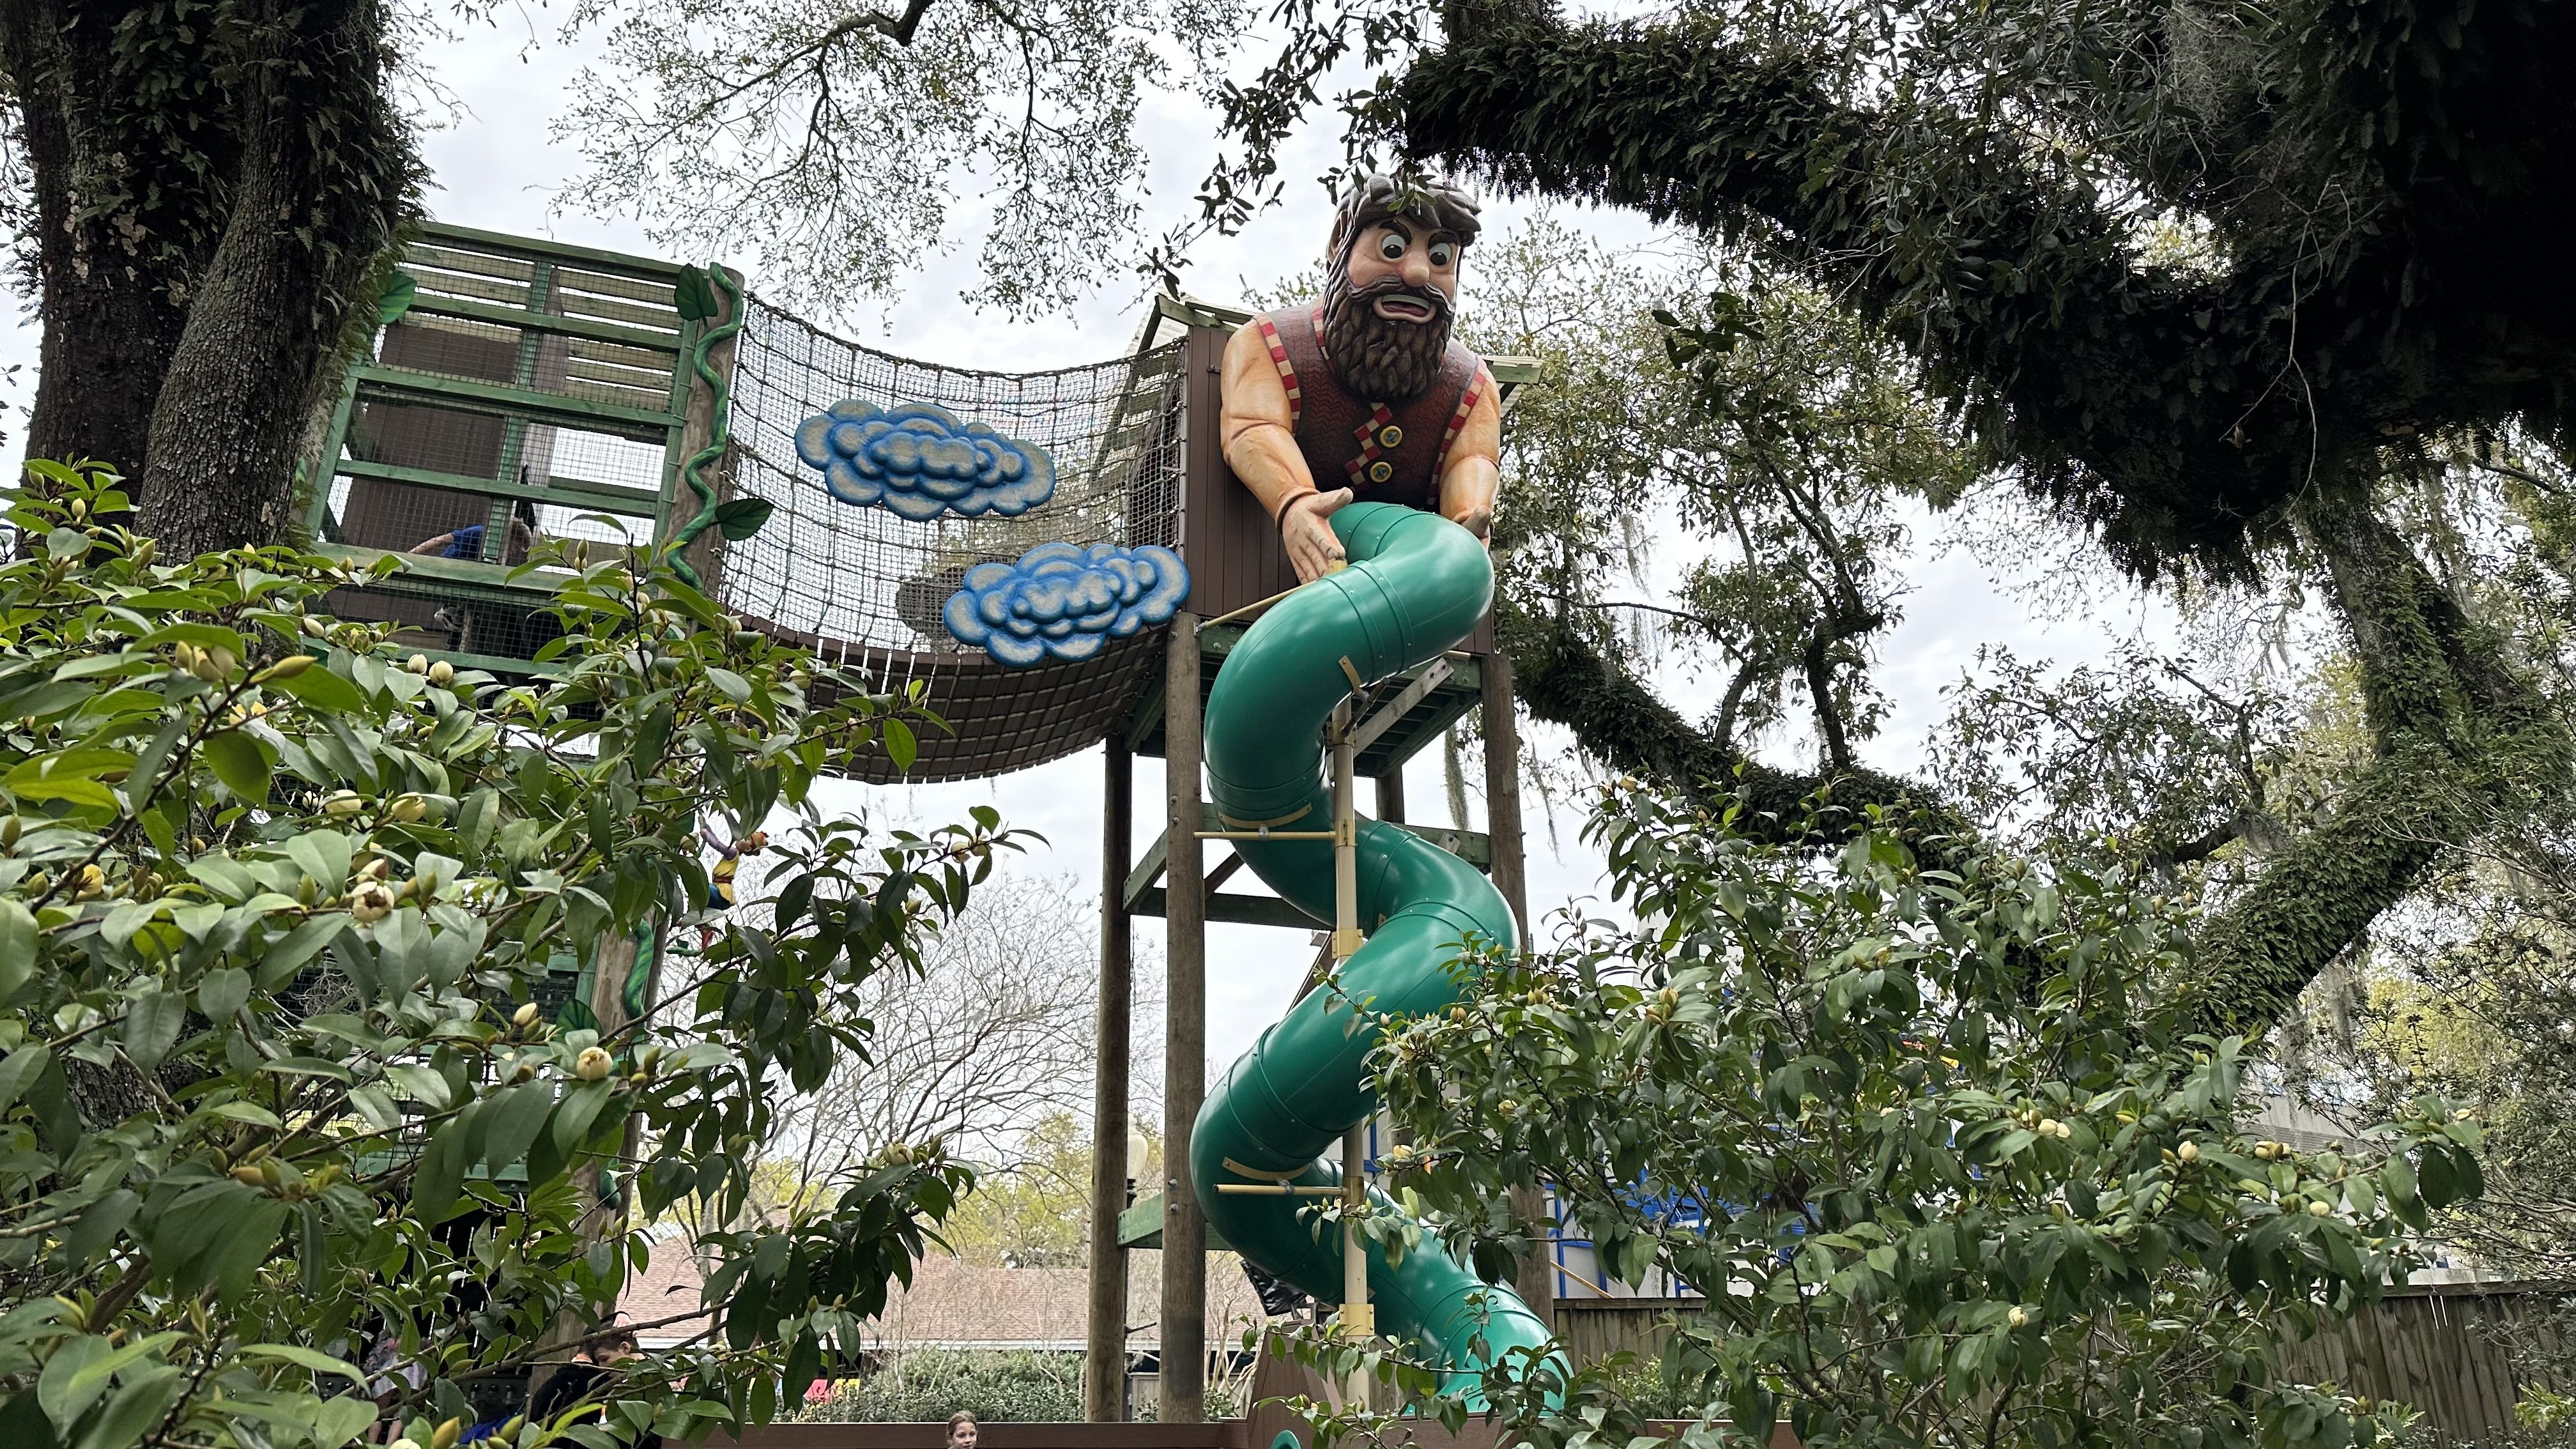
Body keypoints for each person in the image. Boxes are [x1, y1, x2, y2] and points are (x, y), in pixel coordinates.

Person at [1218, 174, 1500, 583]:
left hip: (1408, 599)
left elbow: (1473, 459)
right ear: (1340, 245)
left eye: (1441, 256)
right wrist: (1294, 501)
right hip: (1261, 581)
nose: (1419, 273)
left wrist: (1465, 523)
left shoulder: (1471, 387)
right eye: (1392, 248)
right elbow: (1254, 428)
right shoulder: (1268, 344)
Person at [527, 1324, 638, 1429]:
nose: (602, 1368)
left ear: (625, 1348)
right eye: (598, 1362)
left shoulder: (552, 1383)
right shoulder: (598, 1383)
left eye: (604, 1359)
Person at [411, 498, 540, 565]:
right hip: (450, 563)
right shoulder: (480, 533)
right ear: (510, 536)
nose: (514, 552)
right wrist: (411, 555)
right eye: (516, 547)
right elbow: (441, 539)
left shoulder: (500, 558)